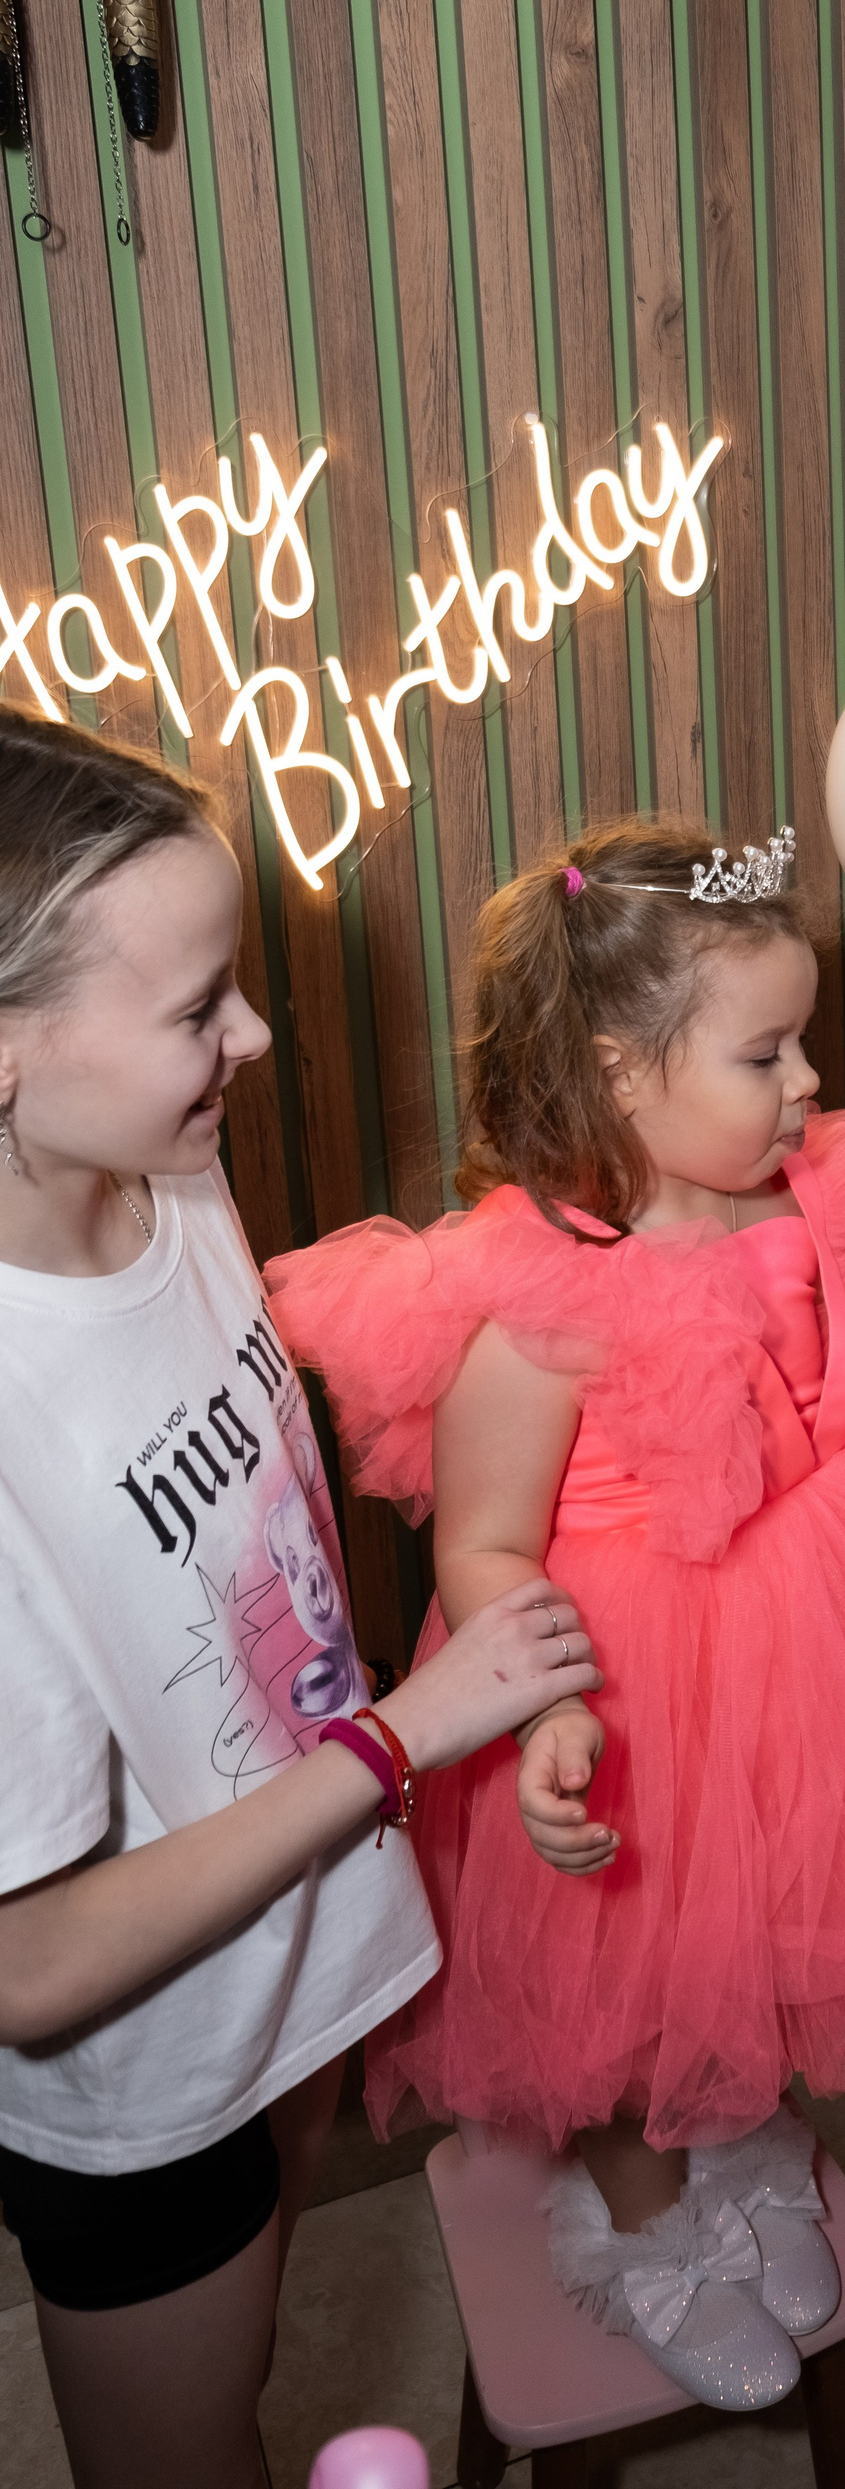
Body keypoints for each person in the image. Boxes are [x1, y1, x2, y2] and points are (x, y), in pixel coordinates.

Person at [266, 816, 845, 2414]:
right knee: (616, 1981)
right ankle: (637, 2217)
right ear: (620, 1074)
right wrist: (549, 1705)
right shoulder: (535, 1301)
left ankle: (736, 2134)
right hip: (616, 1678)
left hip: (825, 1619)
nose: (810, 1079)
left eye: (802, 1041)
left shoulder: (821, 1199)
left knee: (768, 1931)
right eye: (766, 1054)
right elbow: (482, 1545)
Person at [0, 707, 601, 2489]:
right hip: (149, 2083)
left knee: (255, 2349)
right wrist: (405, 1739)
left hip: (303, 1939)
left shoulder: (166, 1172)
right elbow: (30, 1968)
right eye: (199, 1008)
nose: (255, 1036)